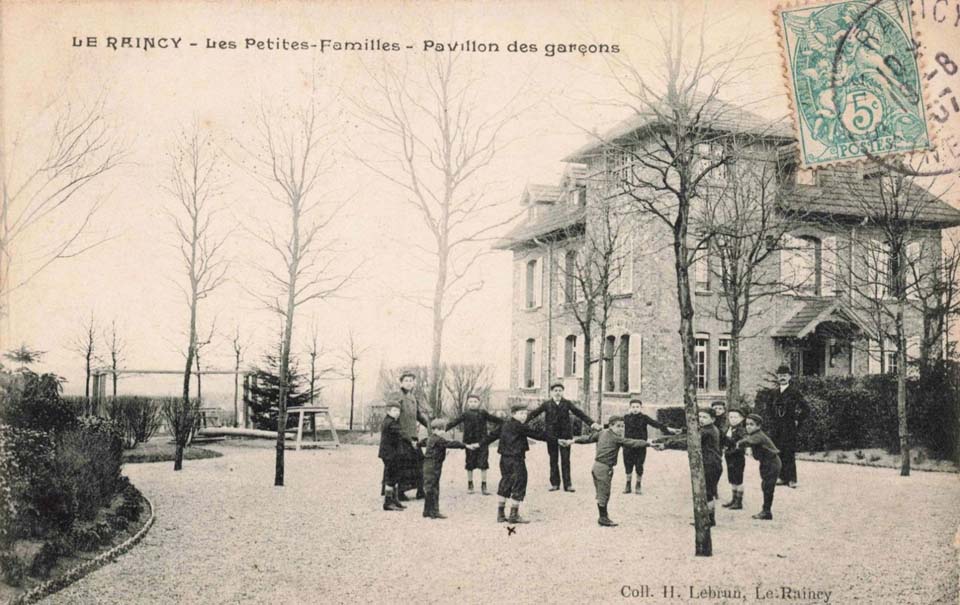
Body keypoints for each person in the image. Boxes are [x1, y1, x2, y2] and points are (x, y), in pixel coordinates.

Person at [561, 416, 662, 527]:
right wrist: (649, 444)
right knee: (604, 494)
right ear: (611, 426)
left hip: (596, 467)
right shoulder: (616, 438)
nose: (621, 429)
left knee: (601, 494)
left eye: (623, 426)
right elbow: (632, 442)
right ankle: (603, 518)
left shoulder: (601, 433)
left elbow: (587, 438)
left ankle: (603, 516)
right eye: (618, 426)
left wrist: (572, 441)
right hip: (604, 469)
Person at [475, 403, 557, 524]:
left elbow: (491, 436)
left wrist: (478, 444)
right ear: (514, 414)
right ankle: (514, 514)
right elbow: (537, 434)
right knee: (520, 482)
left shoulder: (504, 424)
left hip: (504, 459)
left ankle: (501, 514)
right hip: (517, 459)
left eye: (525, 413)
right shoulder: (520, 426)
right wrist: (556, 440)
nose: (524, 416)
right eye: (521, 413)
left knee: (505, 482)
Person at [525, 382, 601, 492]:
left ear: (562, 392)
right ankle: (555, 483)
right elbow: (534, 413)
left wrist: (592, 423)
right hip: (551, 437)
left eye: (560, 390)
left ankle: (568, 484)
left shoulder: (567, 403)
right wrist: (522, 422)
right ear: (551, 392)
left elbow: (579, 413)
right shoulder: (547, 404)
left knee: (566, 460)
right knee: (553, 459)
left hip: (565, 436)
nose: (557, 393)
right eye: (555, 390)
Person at [445, 394, 504, 495]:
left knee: (483, 463)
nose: (473, 403)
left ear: (479, 403)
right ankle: (470, 484)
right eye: (471, 402)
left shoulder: (483, 413)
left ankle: (484, 485)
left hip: (482, 442)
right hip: (469, 443)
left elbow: (495, 419)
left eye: (475, 401)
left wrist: (507, 423)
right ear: (467, 403)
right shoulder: (465, 414)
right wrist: (443, 428)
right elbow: (455, 422)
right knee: (469, 463)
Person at [419, 418, 478, 519]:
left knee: (430, 488)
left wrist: (416, 444)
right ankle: (434, 511)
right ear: (435, 430)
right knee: (433, 488)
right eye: (442, 429)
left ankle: (427, 511)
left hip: (429, 465)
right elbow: (451, 444)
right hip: (433, 466)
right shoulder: (438, 439)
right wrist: (465, 446)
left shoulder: (430, 438)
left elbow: (422, 442)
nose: (443, 432)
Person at [762, 365, 809, 488]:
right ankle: (782, 477)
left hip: (789, 426)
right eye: (780, 375)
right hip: (776, 427)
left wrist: (798, 420)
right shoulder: (774, 393)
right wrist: (771, 421)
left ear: (789, 377)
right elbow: (768, 409)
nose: (782, 378)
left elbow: (806, 408)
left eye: (785, 375)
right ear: (777, 377)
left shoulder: (794, 392)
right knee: (778, 451)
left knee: (789, 452)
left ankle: (792, 479)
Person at [621, 399, 681, 495]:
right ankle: (628, 484)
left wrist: (668, 429)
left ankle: (638, 484)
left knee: (639, 465)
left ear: (641, 408)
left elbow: (656, 424)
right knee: (628, 465)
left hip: (641, 446)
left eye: (637, 407)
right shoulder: (626, 418)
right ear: (629, 408)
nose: (635, 409)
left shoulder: (644, 418)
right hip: (628, 446)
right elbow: (615, 424)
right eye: (633, 407)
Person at [389, 372, 431, 500]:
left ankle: (420, 490)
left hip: (413, 436)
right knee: (403, 464)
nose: (408, 383)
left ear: (414, 383)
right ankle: (400, 492)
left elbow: (418, 415)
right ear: (401, 383)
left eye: (411, 381)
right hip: (401, 436)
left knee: (419, 463)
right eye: (406, 380)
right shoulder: (397, 396)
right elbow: (392, 414)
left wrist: (430, 426)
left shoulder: (413, 398)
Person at [736, 413, 782, 520]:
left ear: (758, 426)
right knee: (765, 486)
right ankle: (766, 510)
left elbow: (748, 441)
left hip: (772, 463)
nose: (748, 426)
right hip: (766, 463)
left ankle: (766, 512)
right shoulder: (754, 434)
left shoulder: (758, 436)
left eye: (751, 424)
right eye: (746, 424)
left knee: (768, 487)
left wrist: (738, 443)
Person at [697, 407, 723, 527]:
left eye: (704, 417)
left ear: (712, 419)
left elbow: (690, 441)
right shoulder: (711, 429)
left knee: (707, 493)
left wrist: (665, 444)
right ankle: (709, 518)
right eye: (700, 416)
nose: (701, 419)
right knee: (709, 492)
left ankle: (709, 519)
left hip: (710, 465)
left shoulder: (706, 431)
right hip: (714, 464)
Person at [378, 402, 405, 512]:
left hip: (391, 453)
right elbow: (399, 434)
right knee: (391, 477)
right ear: (388, 411)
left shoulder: (391, 421)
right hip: (390, 454)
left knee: (395, 476)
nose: (397, 413)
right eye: (394, 410)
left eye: (398, 410)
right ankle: (388, 502)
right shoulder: (390, 423)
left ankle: (395, 500)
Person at [721, 407, 748, 510]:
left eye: (736, 417)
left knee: (738, 479)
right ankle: (733, 499)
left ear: (741, 419)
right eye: (731, 417)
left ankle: (739, 501)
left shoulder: (741, 430)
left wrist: (730, 450)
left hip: (737, 457)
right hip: (729, 457)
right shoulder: (728, 428)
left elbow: (741, 445)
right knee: (732, 478)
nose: (733, 419)